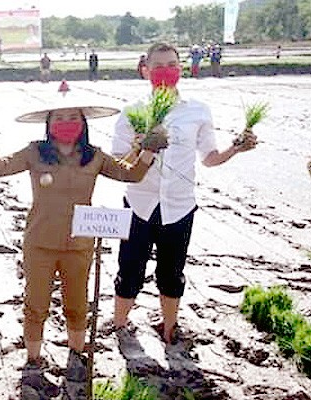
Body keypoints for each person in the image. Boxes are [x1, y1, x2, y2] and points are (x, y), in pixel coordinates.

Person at [0, 104, 166, 400]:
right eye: (59, 118)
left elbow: (130, 175)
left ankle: (76, 356)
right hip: (39, 242)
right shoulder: (35, 152)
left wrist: (150, 149)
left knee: (77, 302)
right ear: (48, 123)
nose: (66, 123)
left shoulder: (93, 155)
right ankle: (33, 360)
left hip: (79, 243)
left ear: (83, 123)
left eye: (73, 118)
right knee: (36, 303)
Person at [110, 42, 257, 345]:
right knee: (130, 269)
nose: (166, 72)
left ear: (181, 69)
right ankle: (120, 325)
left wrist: (237, 148)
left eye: (172, 65)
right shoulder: (132, 112)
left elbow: (210, 158)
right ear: (145, 70)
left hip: (179, 206)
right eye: (159, 66)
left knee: (171, 273)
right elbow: (118, 164)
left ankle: (169, 327)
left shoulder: (197, 111)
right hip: (138, 203)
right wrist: (141, 146)